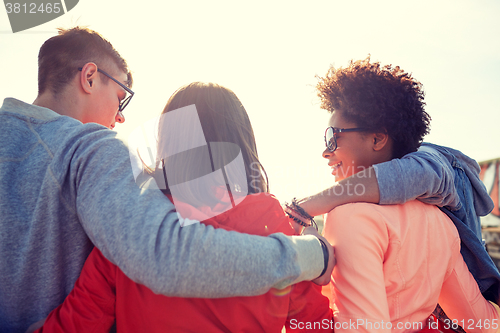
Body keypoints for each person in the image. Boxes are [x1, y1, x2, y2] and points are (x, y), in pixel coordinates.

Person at [0, 27, 333, 333]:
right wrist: (311, 254)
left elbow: (80, 321)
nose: (121, 116)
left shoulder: (124, 230)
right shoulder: (271, 223)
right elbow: (316, 325)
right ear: (89, 77)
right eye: (121, 97)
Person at [312, 58, 498, 332]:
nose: (326, 151)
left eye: (334, 136)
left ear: (378, 139)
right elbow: (482, 323)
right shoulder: (442, 224)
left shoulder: (349, 215)